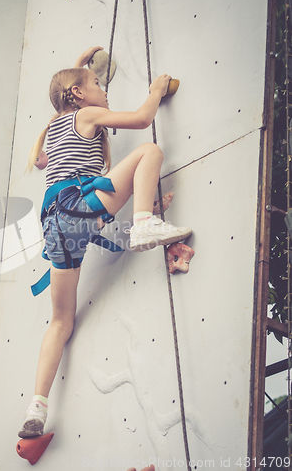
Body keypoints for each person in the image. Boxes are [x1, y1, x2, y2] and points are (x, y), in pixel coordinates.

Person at [18, 47, 191, 438]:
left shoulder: (57, 125)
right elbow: (143, 119)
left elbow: (73, 87)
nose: (105, 88)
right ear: (78, 95)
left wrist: (82, 66)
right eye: (98, 83)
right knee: (150, 150)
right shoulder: (86, 114)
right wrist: (157, 88)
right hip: (78, 206)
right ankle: (144, 223)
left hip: (57, 228)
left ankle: (36, 408)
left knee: (60, 321)